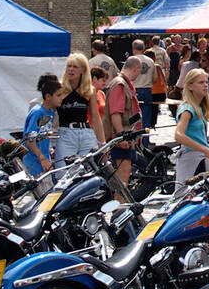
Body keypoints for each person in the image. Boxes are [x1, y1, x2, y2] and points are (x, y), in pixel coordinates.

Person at [55, 53, 105, 164]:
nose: (71, 70)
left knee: (90, 170)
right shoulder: (59, 88)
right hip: (66, 133)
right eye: (69, 66)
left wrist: (103, 144)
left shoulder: (89, 90)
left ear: (83, 70)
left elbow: (96, 118)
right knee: (64, 173)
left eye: (75, 67)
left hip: (85, 132)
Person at [105, 57, 145, 194]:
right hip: (122, 140)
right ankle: (118, 210)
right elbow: (115, 113)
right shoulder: (120, 85)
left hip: (127, 138)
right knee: (122, 180)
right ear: (136, 69)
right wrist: (121, 137)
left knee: (123, 178)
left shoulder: (123, 83)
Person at [173, 68, 209, 190]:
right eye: (201, 82)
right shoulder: (187, 109)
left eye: (206, 82)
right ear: (190, 86)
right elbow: (178, 135)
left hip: (202, 159)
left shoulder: (199, 108)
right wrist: (204, 149)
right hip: (191, 160)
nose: (205, 85)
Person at [22, 74, 62, 178]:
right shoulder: (37, 112)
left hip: (44, 160)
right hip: (34, 163)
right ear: (48, 96)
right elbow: (29, 139)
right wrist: (42, 158)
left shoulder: (50, 112)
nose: (61, 99)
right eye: (58, 95)